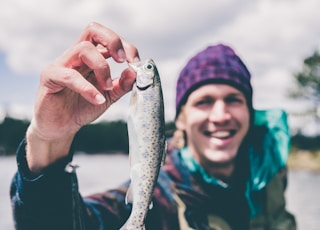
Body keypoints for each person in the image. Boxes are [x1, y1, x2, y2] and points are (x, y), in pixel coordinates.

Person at [10, 22, 296, 230]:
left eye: (233, 99)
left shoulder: (269, 175)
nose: (220, 115)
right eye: (204, 101)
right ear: (181, 118)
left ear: (250, 110)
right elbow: (69, 223)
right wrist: (48, 142)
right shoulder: (161, 198)